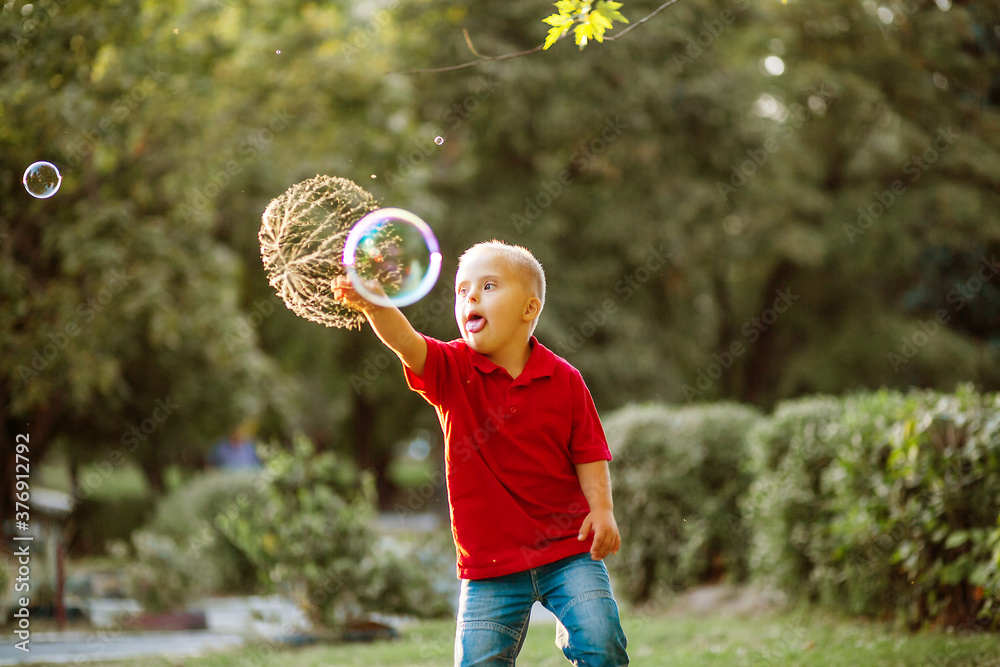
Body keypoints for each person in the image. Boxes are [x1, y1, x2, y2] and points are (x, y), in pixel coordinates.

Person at [334, 240, 628, 666]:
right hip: (490, 563)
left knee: (601, 639)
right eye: (462, 290)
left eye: (488, 286)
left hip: (567, 550)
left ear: (530, 309)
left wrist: (602, 510)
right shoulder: (451, 369)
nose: (470, 296)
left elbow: (588, 452)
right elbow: (406, 342)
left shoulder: (565, 380)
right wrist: (376, 306)